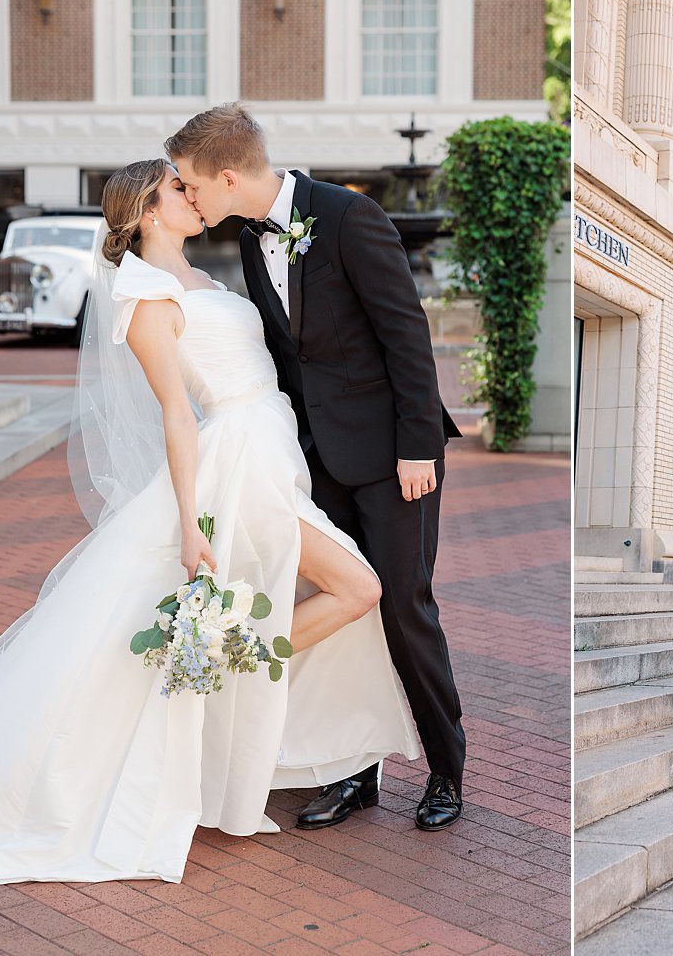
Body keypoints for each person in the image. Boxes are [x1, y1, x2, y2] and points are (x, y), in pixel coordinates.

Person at [0, 160, 419, 884]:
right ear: (148, 212)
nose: (193, 196)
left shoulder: (202, 275)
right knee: (359, 589)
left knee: (334, 592)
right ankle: (220, 666)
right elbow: (177, 416)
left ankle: (218, 667)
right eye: (177, 191)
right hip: (235, 465)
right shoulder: (145, 294)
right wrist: (191, 524)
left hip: (275, 454)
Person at [165, 103, 467, 831]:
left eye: (189, 184)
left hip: (397, 459)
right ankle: (350, 771)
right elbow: (286, 358)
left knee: (402, 608)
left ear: (228, 177)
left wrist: (418, 446)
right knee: (339, 617)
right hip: (314, 465)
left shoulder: (349, 217)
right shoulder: (246, 241)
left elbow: (406, 337)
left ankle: (447, 771)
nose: (187, 196)